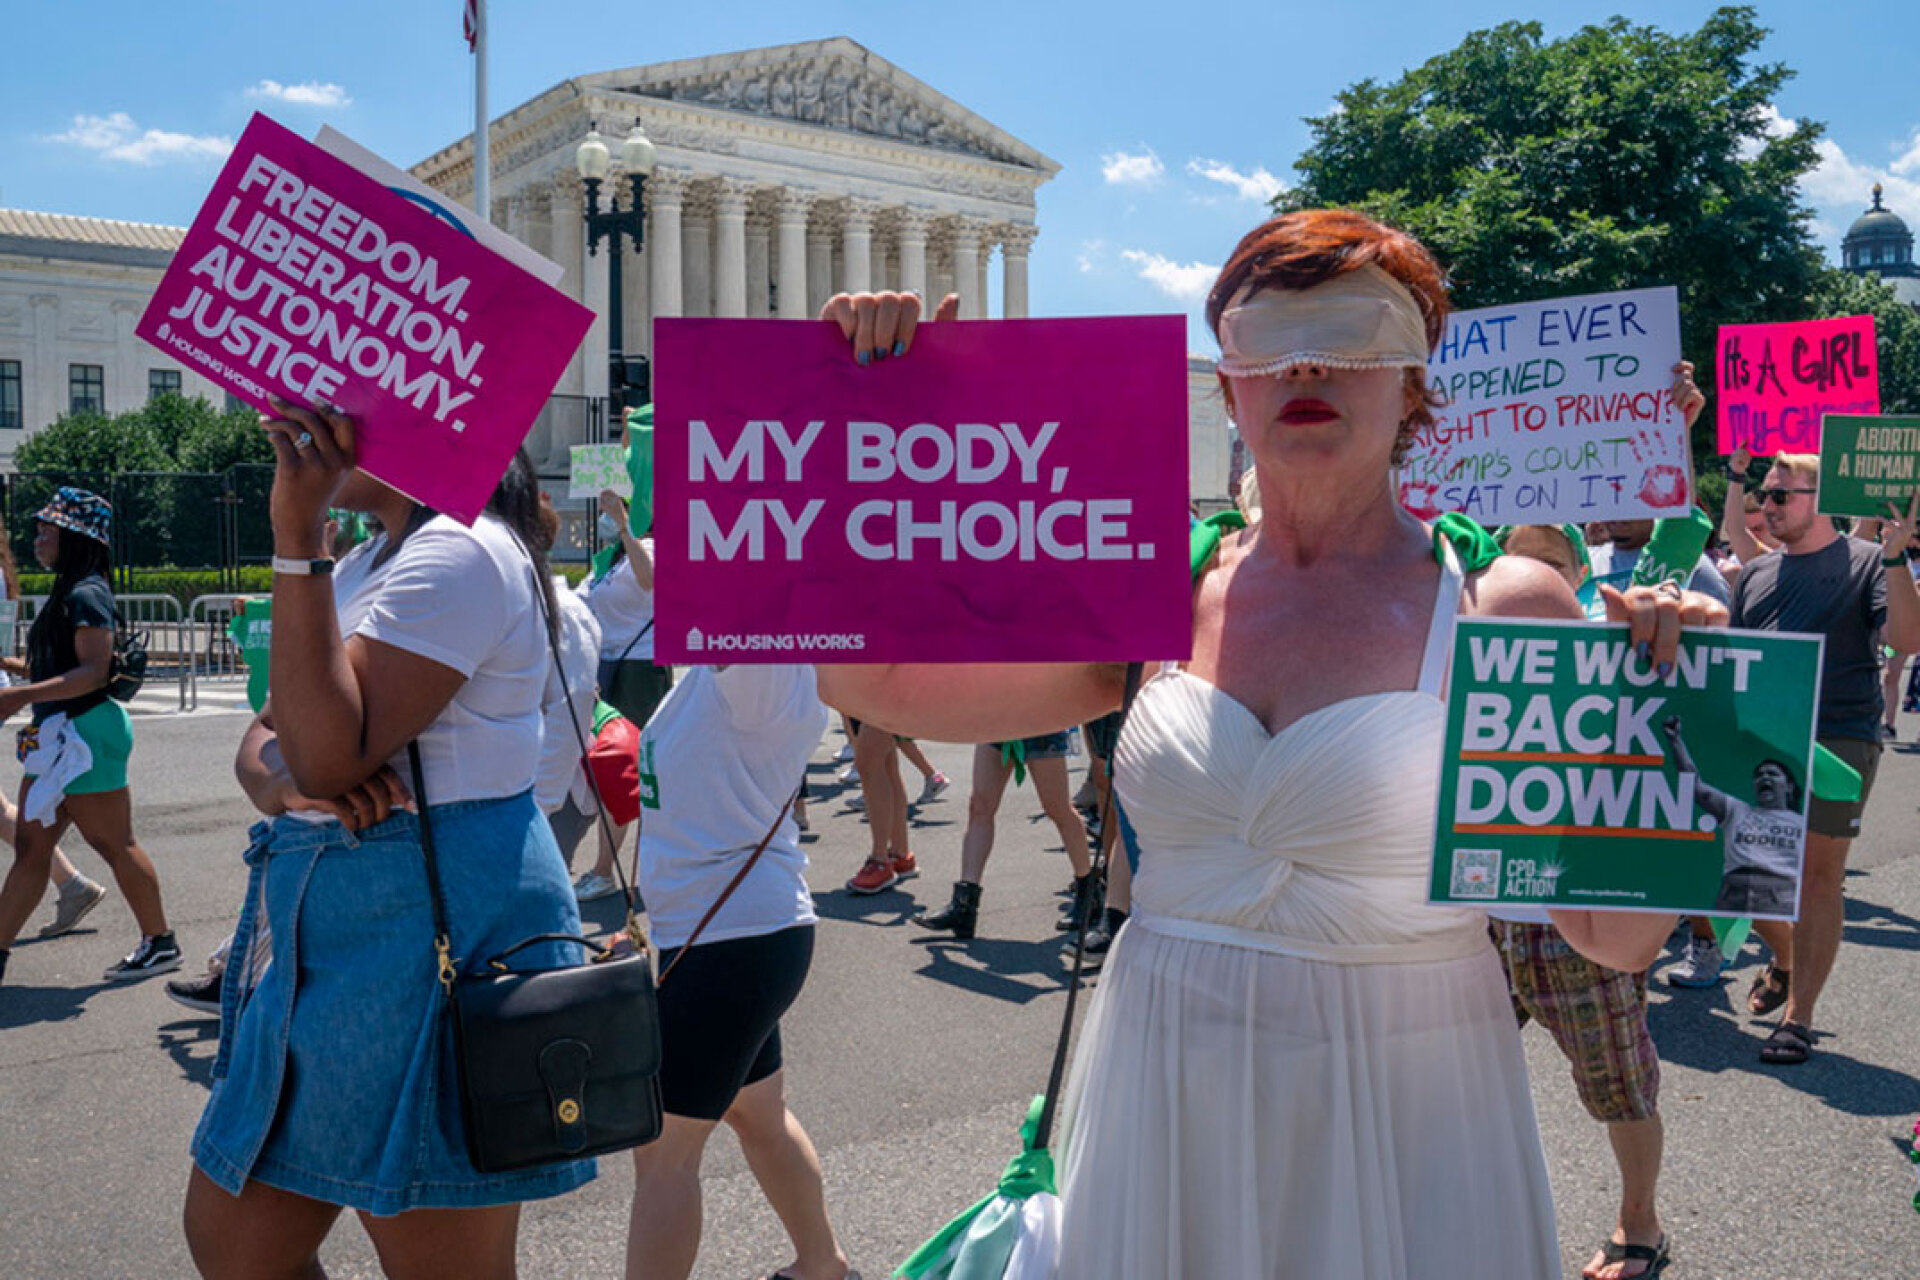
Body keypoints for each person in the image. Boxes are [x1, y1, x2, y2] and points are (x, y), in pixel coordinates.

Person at [815, 210, 1720, 1279]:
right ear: (1229, 385)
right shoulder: (1154, 586)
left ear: (1414, 384)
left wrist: (1671, 714)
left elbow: (1616, 939)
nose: (1308, 367)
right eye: (1272, 340)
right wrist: (858, 420)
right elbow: (871, 681)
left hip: (1407, 1112)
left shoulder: (1502, 602)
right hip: (1166, 1087)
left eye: (1351, 335)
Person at [184, 410, 591, 1279]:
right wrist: (283, 783)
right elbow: (267, 738)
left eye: (334, 410)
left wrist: (297, 539)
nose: (303, 429)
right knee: (232, 1241)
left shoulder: (464, 550)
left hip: (436, 926)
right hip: (337, 925)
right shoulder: (371, 560)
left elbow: (325, 752)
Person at [622, 661, 853, 1280]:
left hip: (732, 940)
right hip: (723, 934)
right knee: (757, 1113)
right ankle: (822, 1265)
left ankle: (822, 1264)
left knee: (663, 1153)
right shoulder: (715, 672)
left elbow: (725, 615)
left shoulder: (760, 670)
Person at [1496, 521, 1673, 1280]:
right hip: (1474, 916)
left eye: (1548, 562)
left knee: (1618, 1083)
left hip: (1579, 916)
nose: (1528, 574)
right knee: (1440, 1074)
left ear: (1578, 576)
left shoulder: (1623, 656)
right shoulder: (1463, 649)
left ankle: (1642, 1220)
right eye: (1516, 559)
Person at [1703, 458, 1920, 1064]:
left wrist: (1897, 559)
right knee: (1744, 875)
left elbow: (1908, 640)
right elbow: (1735, 660)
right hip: (1763, 739)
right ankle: (1786, 958)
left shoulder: (1869, 562)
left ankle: (1798, 1017)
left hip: (1840, 736)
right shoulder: (1756, 573)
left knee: (1819, 877)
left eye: (1780, 495)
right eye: (1765, 493)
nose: (1767, 505)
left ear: (1822, 499)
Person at [0, 487, 178, 984]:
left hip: (84, 734)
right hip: (62, 736)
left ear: (76, 538)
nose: (38, 539)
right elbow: (62, 664)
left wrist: (18, 695)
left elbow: (94, 672)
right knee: (31, 850)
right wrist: (15, 668)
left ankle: (160, 941)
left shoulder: (86, 593)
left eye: (48, 531)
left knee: (113, 843)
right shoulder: (71, 589)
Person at [914, 732, 1096, 940]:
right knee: (980, 806)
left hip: (1039, 728)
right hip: (998, 725)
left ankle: (1088, 894)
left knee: (1057, 809)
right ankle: (963, 907)